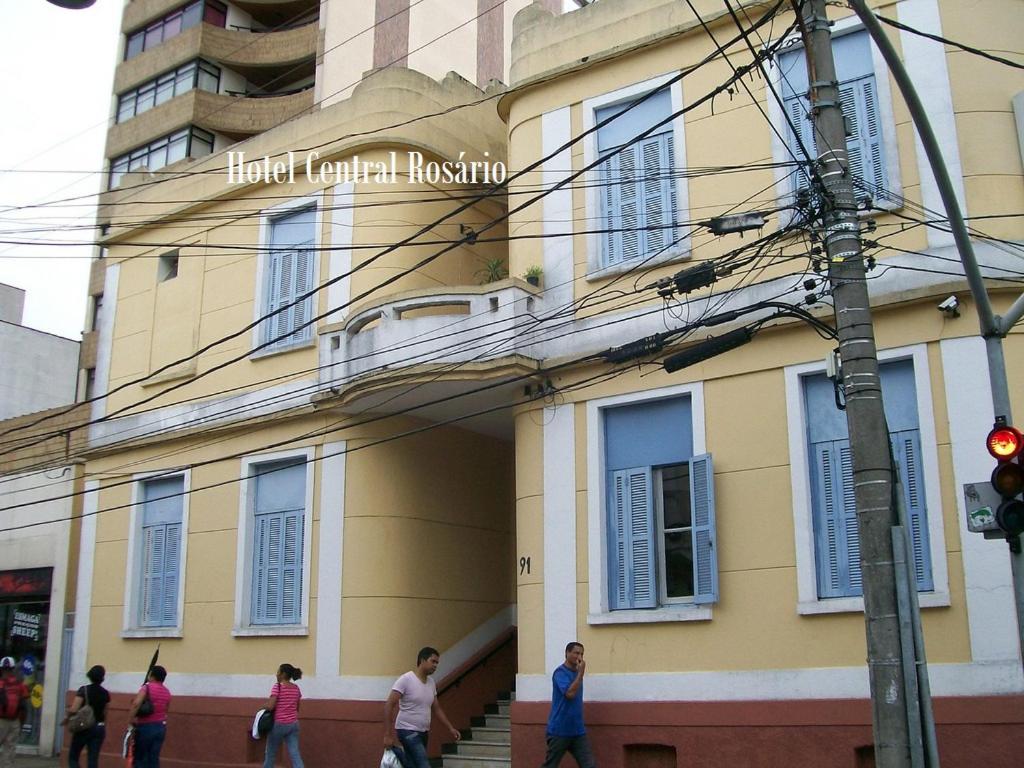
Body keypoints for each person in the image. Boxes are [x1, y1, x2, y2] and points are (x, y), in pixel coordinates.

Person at [383, 647, 461, 768]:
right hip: (407, 730)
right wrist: (387, 734)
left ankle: (397, 752)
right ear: (422, 660)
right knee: (423, 764)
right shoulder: (406, 679)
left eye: (437, 663)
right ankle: (397, 752)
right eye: (433, 661)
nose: (435, 665)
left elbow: (437, 708)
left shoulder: (431, 683)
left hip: (423, 732)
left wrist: (450, 728)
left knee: (412, 765)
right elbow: (389, 704)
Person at [540, 642, 596, 768]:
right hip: (559, 730)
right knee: (551, 765)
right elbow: (569, 694)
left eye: (582, 654)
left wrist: (579, 674)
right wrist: (580, 674)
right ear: (567, 653)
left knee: (590, 765)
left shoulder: (577, 674)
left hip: (577, 731)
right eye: (576, 653)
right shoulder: (560, 673)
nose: (579, 657)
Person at [63, 665, 111, 768]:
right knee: (93, 759)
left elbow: (74, 709)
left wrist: (68, 713)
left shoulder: (83, 690)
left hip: (83, 727)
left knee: (73, 757)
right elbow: (105, 713)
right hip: (99, 727)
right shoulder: (105, 693)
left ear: (90, 676)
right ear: (102, 678)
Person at [128, 665, 171, 768]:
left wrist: (130, 720)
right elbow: (166, 711)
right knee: (153, 758)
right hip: (160, 727)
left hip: (145, 726)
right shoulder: (167, 692)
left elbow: (136, 704)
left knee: (140, 758)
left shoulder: (147, 687)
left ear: (152, 676)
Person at [263, 663, 304, 768]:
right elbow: (297, 708)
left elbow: (271, 706)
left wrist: (263, 707)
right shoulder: (296, 688)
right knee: (294, 754)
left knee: (271, 754)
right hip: (293, 724)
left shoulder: (278, 687)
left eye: (278, 672)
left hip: (279, 724)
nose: (276, 675)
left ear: (283, 674)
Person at [0, 657, 28, 768]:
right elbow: (24, 705)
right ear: (13, 669)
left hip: (1, 720)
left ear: (1, 669)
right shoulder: (20, 685)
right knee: (9, 751)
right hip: (14, 721)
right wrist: (21, 723)